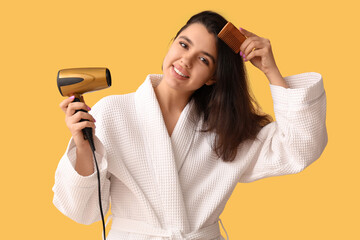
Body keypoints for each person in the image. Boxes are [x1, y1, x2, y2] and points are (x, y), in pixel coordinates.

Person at [53, 10, 328, 240]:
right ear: (171, 43)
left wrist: (271, 70)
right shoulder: (113, 112)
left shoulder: (226, 129)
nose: (186, 60)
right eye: (183, 45)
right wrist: (82, 144)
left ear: (212, 77)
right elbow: (83, 210)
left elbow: (300, 147)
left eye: (203, 59)